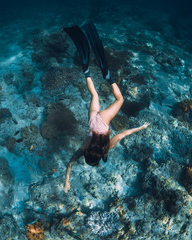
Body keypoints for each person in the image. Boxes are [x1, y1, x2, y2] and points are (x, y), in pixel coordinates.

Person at [63, 22, 150, 193]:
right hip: (92, 117)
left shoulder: (106, 147)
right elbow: (71, 162)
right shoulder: (85, 147)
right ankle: (86, 71)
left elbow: (123, 134)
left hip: (103, 118)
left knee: (120, 99)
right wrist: (66, 181)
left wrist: (141, 127)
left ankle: (108, 76)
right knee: (94, 95)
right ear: (88, 153)